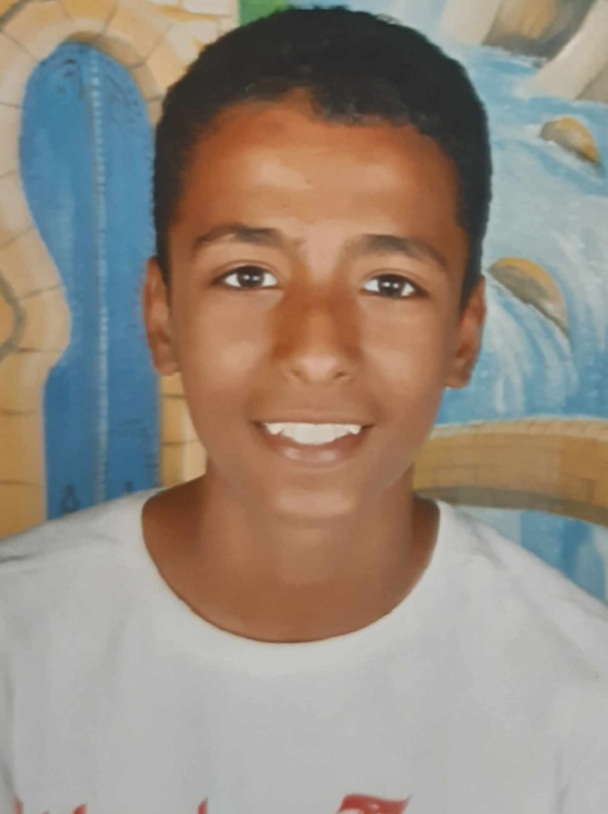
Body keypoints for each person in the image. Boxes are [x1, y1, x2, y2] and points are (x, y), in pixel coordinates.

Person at [1, 7, 607, 813]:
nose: (317, 350)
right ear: (162, 317)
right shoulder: (19, 649)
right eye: (248, 275)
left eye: (390, 284)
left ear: (463, 338)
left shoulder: (579, 700)